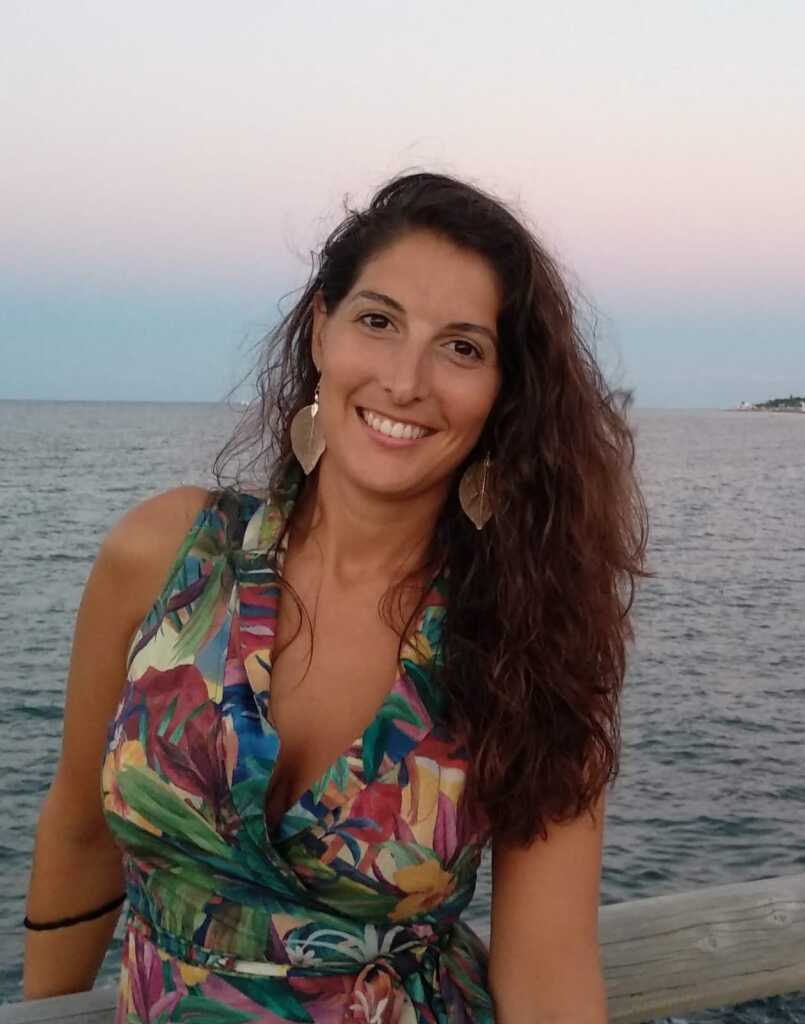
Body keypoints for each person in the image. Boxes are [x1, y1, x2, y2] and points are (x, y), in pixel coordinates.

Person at [23, 171, 648, 1022]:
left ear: (506, 392)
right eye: (378, 322)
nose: (405, 380)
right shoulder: (164, 557)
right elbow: (78, 828)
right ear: (322, 329)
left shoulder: (531, 635)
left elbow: (548, 972)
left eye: (462, 348)